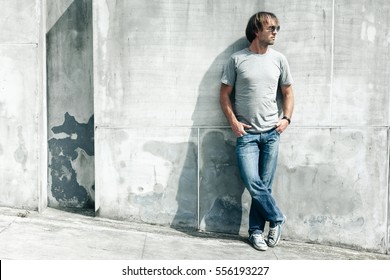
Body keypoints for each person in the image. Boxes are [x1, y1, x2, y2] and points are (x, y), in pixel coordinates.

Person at [219, 11, 294, 251]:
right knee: (253, 182)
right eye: (271, 28)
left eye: (277, 28)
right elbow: (224, 95)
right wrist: (233, 121)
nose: (275, 32)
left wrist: (287, 120)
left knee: (264, 185)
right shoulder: (237, 60)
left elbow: (288, 93)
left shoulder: (279, 59)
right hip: (247, 135)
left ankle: (255, 233)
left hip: (272, 133)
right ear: (256, 30)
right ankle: (277, 218)